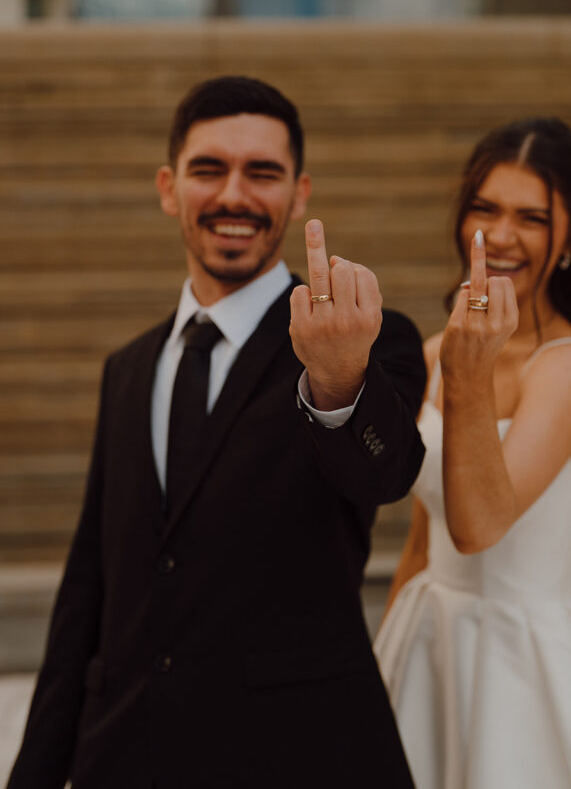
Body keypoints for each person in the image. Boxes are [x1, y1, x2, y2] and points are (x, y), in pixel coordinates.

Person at [8, 75, 426, 789]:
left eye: (262, 172)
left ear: (298, 194)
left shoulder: (365, 342)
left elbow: (382, 476)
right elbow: (89, 593)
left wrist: (337, 381)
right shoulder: (128, 368)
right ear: (170, 188)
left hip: (300, 759)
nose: (234, 195)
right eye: (210, 170)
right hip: (123, 759)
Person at [375, 117, 571, 789]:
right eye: (483, 209)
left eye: (531, 217)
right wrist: (377, 666)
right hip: (423, 641)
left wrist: (468, 375)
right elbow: (424, 542)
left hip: (524, 663)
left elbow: (480, 525)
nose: (500, 235)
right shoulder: (433, 352)